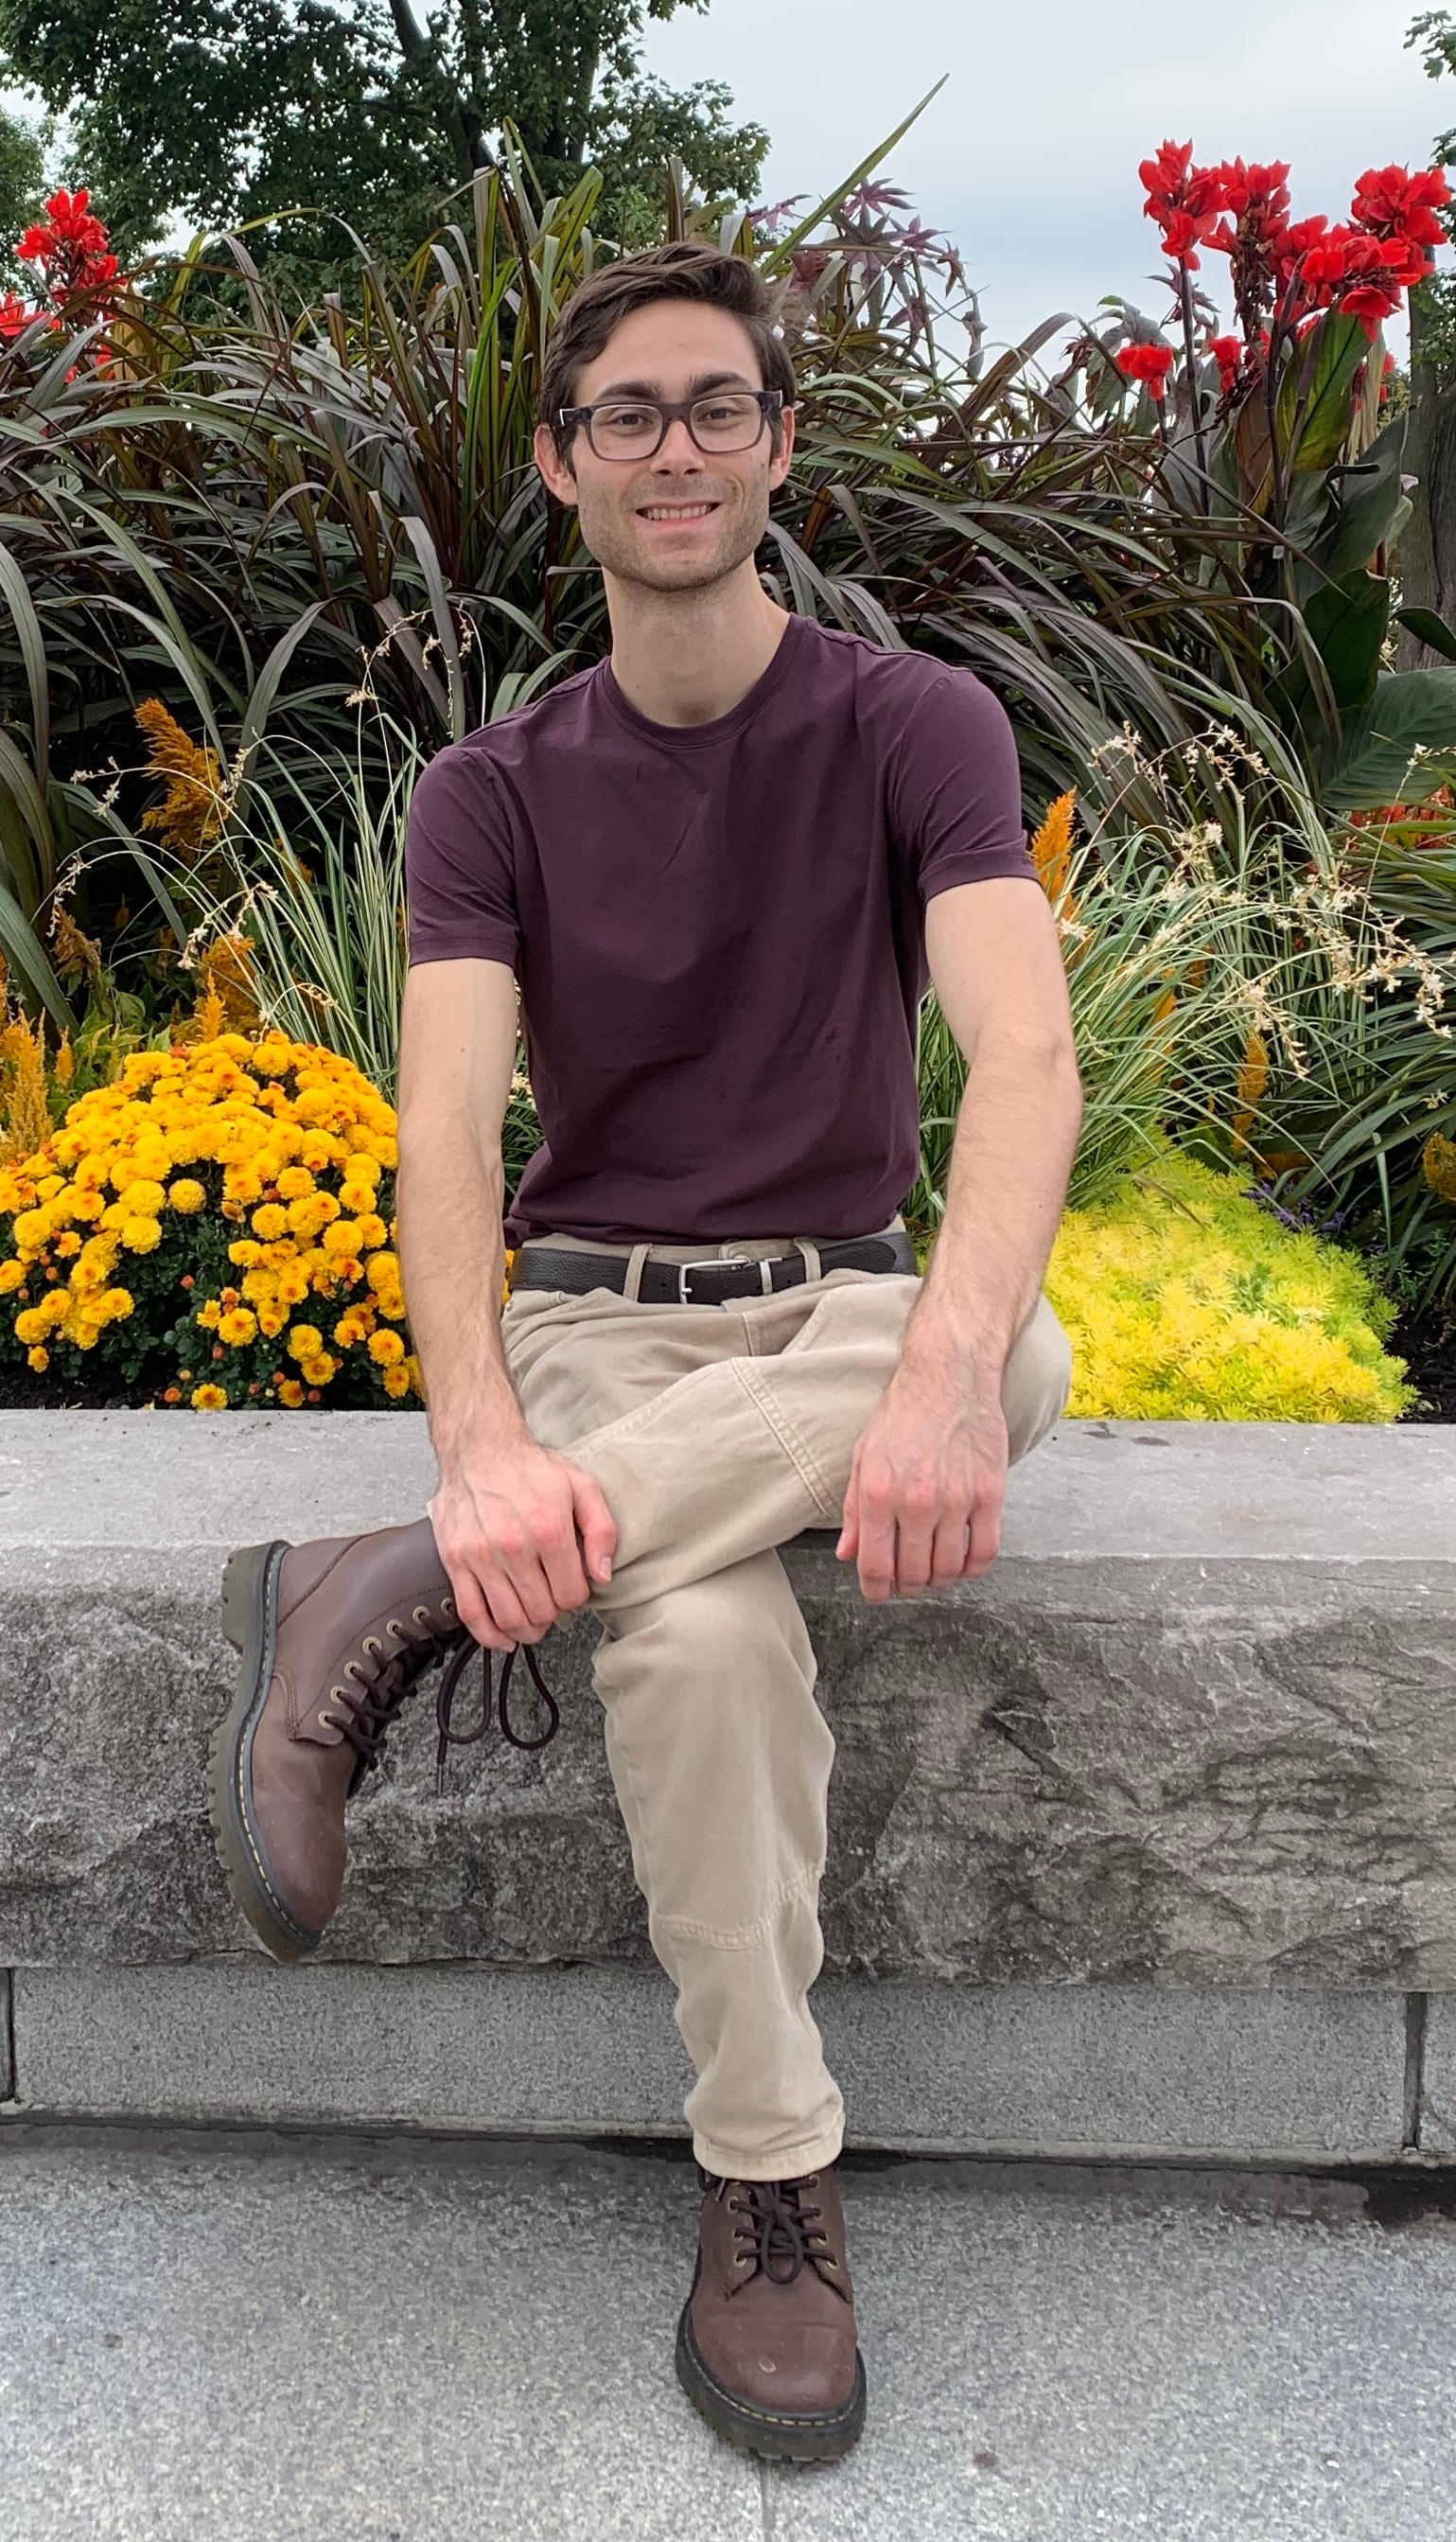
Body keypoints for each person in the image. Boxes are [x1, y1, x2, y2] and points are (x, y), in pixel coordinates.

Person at [206, 238, 1081, 2464]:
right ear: (564, 466)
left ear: (776, 447)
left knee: (1013, 1359)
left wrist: (934, 1371)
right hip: (603, 1314)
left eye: (714, 406)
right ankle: (768, 2182)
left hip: (844, 1293)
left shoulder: (913, 722)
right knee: (687, 1638)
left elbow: (1023, 1050)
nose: (672, 447)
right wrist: (480, 1439)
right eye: (627, 413)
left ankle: (376, 1591)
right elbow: (438, 1132)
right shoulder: (490, 788)